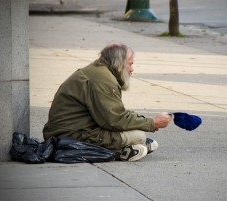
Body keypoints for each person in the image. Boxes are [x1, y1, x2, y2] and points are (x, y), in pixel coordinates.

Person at [43, 43, 172, 161]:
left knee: (137, 134)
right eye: (130, 64)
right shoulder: (103, 80)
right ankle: (124, 149)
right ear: (119, 63)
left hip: (70, 130)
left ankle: (130, 146)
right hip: (70, 135)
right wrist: (152, 123)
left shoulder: (98, 70)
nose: (132, 69)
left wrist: (145, 122)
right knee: (139, 136)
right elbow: (115, 119)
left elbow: (114, 114)